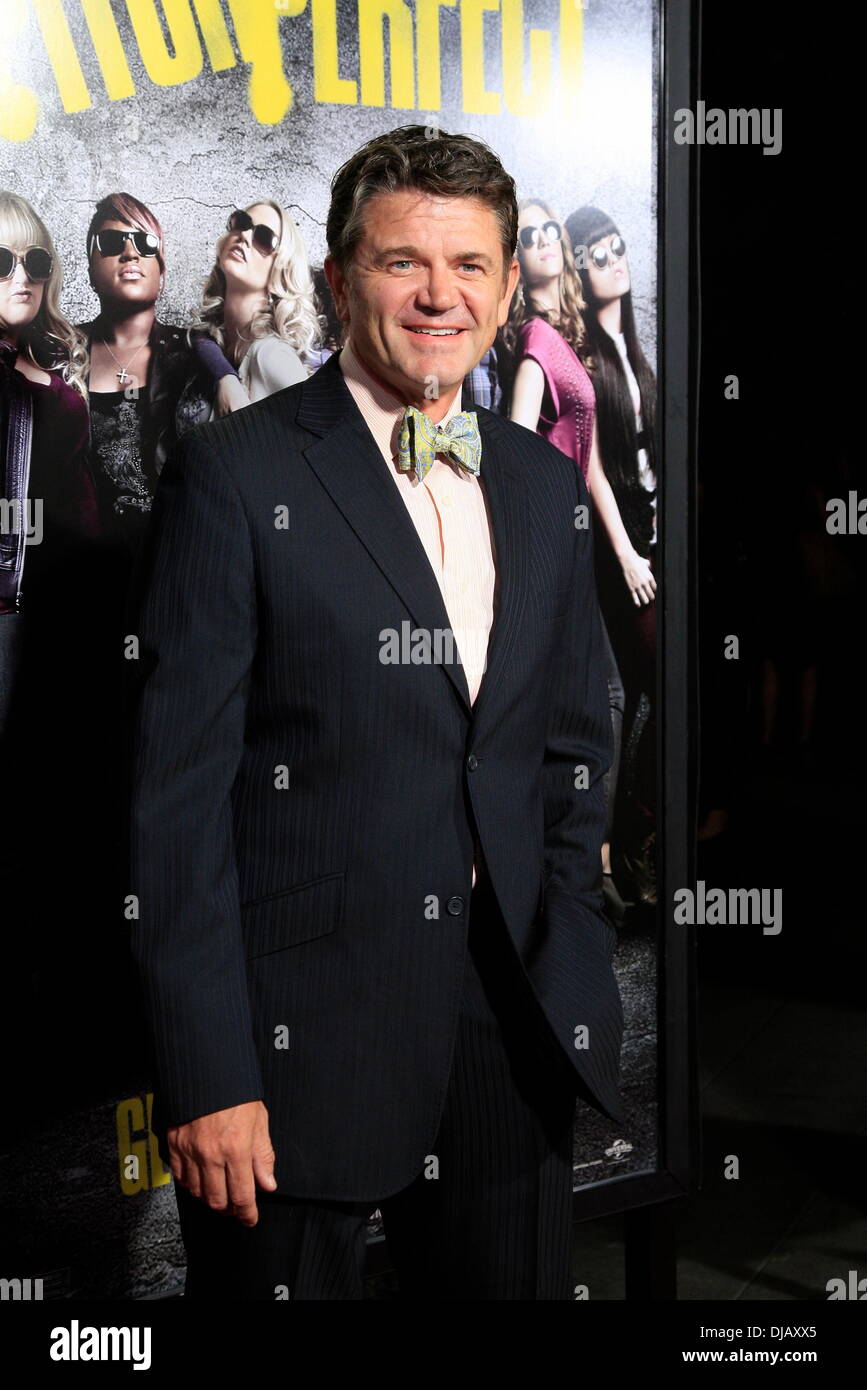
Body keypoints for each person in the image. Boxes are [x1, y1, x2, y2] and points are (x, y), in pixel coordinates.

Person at [127, 126, 623, 1301]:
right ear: (344, 282)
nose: (439, 295)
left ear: (509, 287)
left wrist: (570, 944)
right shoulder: (239, 474)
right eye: (405, 263)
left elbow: (574, 746)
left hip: (510, 1031)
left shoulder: (539, 478)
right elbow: (175, 802)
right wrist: (206, 1074)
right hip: (296, 1047)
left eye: (470, 266)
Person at [506, 199, 650, 919]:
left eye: (545, 231)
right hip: (551, 549)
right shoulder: (534, 339)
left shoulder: (564, 339)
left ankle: (588, 866)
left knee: (599, 699)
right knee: (603, 698)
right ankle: (584, 867)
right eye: (524, 235)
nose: (540, 243)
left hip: (578, 545)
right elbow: (514, 442)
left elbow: (588, 461)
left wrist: (621, 549)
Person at [0, 192, 104, 1123]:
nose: (24, 278)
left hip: (50, 623)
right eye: (5, 264)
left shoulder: (51, 377)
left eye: (35, 264)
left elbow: (76, 512)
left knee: (41, 819)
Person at [565, 206, 659, 902]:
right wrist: (625, 554)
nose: (613, 260)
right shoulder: (587, 352)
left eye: (617, 246)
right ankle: (618, 848)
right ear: (577, 269)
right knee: (635, 694)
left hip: (655, 546)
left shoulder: (632, 344)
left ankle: (630, 844)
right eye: (595, 254)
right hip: (619, 552)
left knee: (652, 696)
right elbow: (593, 465)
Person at [78, 192, 237, 562]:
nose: (131, 252)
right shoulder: (58, 353)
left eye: (146, 244)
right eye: (113, 241)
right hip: (78, 577)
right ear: (90, 269)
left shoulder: (195, 358)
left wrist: (223, 374)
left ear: (162, 274)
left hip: (174, 564)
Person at [183, 200, 319, 419]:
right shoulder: (214, 340)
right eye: (241, 223)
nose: (244, 235)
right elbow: (198, 335)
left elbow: (322, 438)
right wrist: (224, 376)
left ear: (280, 273)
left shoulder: (271, 356)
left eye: (264, 238)